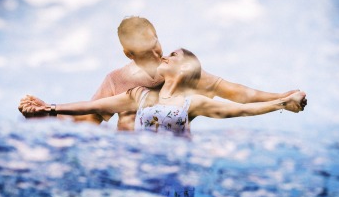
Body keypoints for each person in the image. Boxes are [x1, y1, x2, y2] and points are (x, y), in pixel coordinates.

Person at [65, 16, 305, 130]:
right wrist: (47, 113)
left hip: (173, 161)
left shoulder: (184, 71)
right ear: (129, 54)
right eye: (146, 53)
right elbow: (89, 119)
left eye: (156, 45)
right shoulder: (117, 81)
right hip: (131, 163)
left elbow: (239, 95)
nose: (157, 55)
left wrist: (282, 97)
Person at [19, 49, 307, 136]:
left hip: (176, 179)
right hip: (141, 172)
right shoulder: (138, 96)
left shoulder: (193, 103)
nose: (165, 55)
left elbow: (243, 106)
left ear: (183, 71)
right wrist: (49, 109)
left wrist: (282, 101)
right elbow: (89, 107)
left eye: (174, 55)